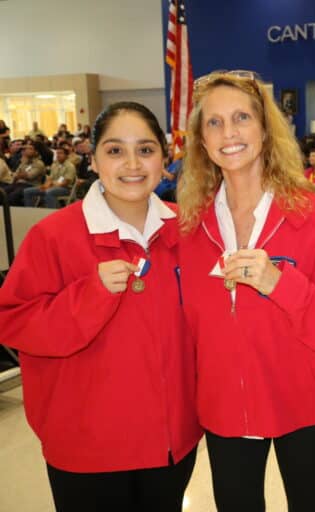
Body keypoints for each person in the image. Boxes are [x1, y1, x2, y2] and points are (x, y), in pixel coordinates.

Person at [0, 101, 202, 511]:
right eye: (114, 150)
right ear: (92, 160)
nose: (132, 163)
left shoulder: (188, 229)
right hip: (88, 448)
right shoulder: (52, 236)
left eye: (145, 149)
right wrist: (90, 294)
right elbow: (14, 323)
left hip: (170, 443)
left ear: (165, 159)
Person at [176, 70, 315, 511]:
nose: (229, 132)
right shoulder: (189, 224)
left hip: (306, 404)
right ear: (200, 139)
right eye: (213, 123)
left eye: (241, 117)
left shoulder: (313, 215)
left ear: (264, 129)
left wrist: (280, 283)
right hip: (225, 408)